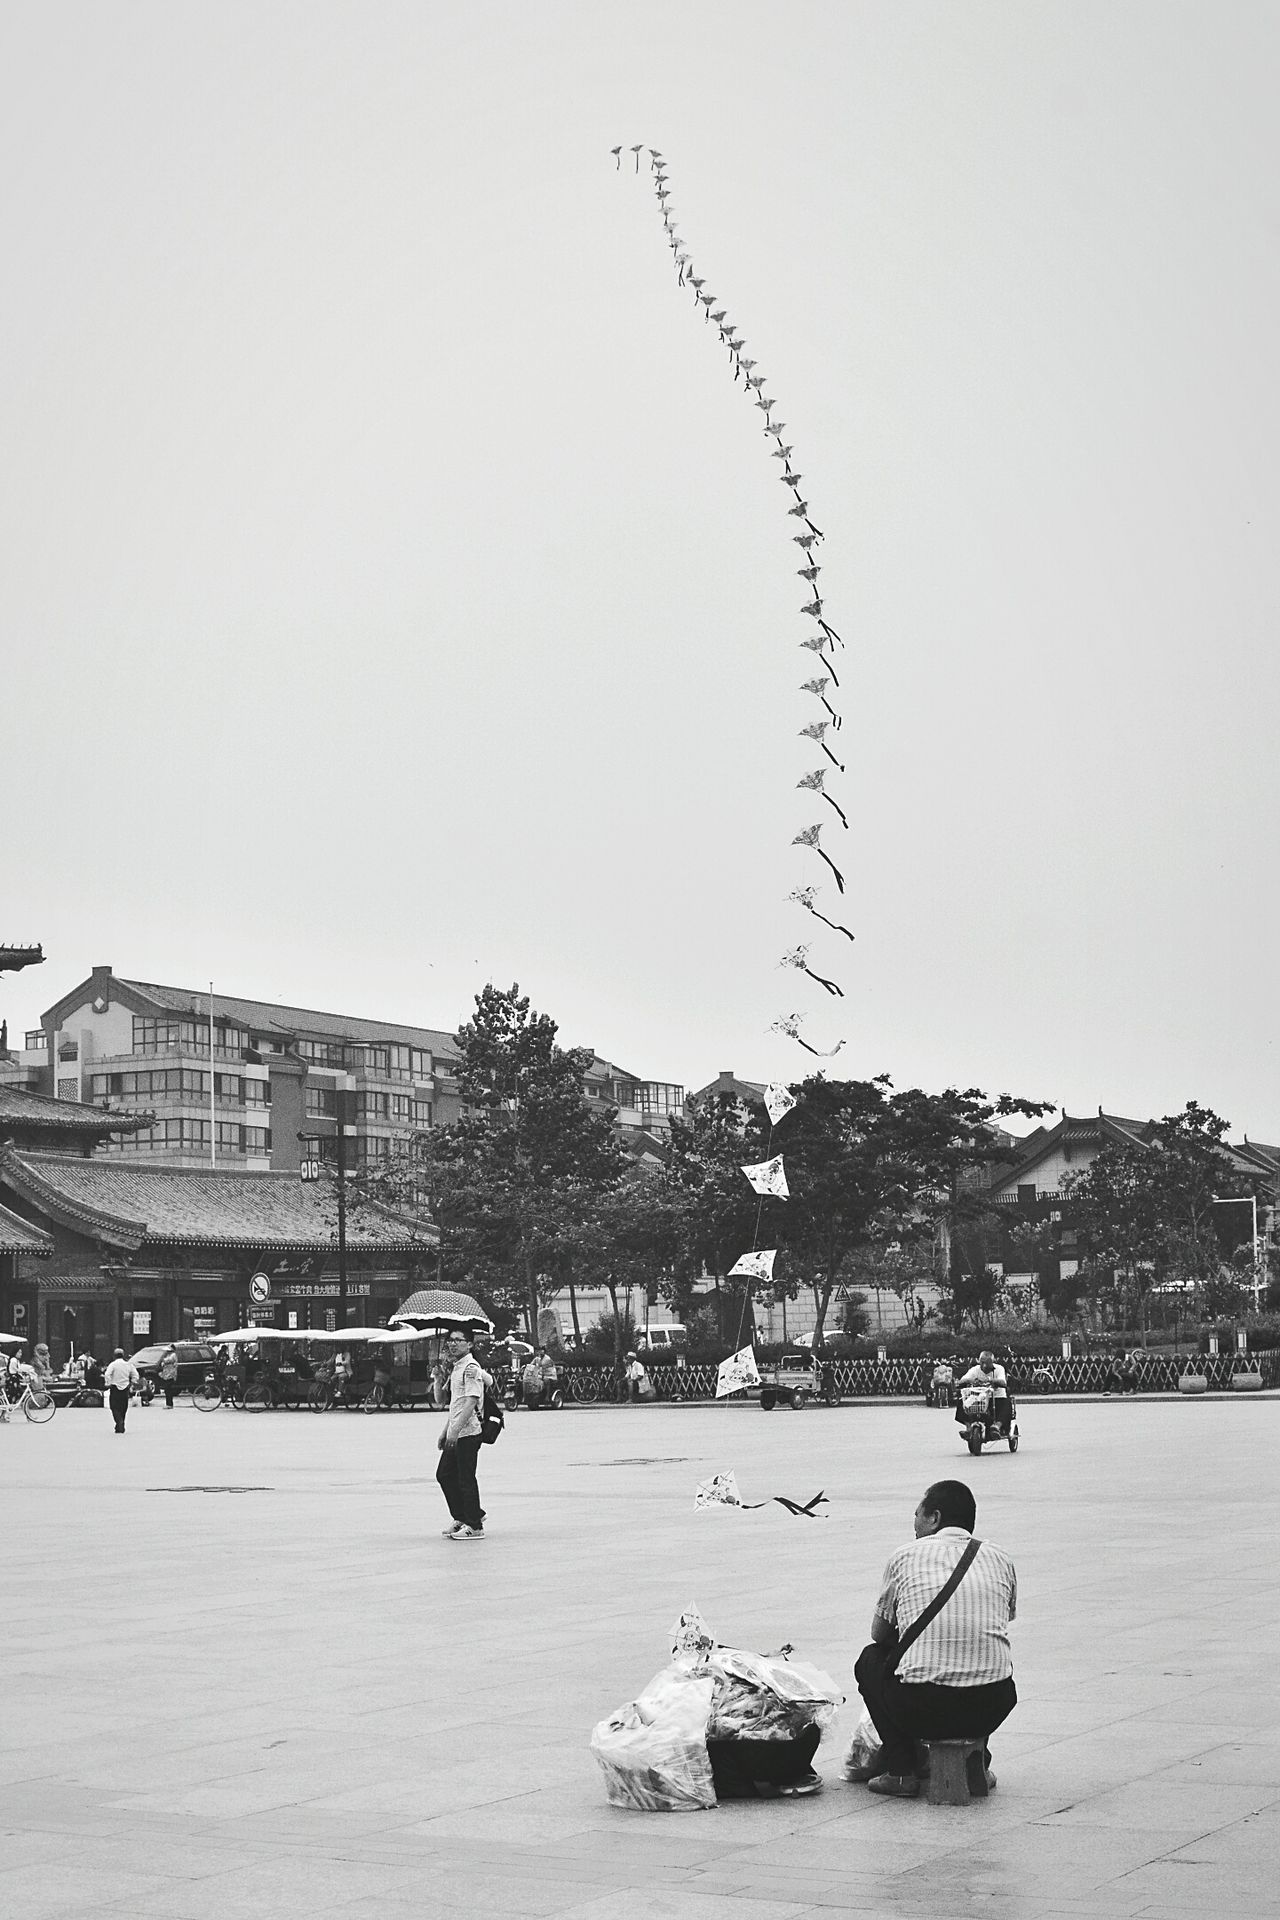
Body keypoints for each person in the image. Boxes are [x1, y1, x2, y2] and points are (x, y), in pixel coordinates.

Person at [851, 1480, 1017, 1799]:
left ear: (934, 1518)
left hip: (922, 1708)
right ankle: (978, 1761)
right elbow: (1002, 1620)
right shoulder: (1000, 1557)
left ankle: (901, 1771)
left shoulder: (905, 1555)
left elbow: (879, 1633)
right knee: (985, 1652)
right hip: (994, 1703)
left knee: (871, 1659)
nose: (913, 1524)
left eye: (917, 1515)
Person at [436, 1328, 486, 1540]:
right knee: (445, 1474)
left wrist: (454, 1431)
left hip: (468, 1432)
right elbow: (448, 1403)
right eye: (450, 1340)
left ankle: (475, 1526)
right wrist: (445, 1431)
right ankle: (464, 1516)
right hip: (456, 1432)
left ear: (470, 1344)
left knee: (465, 1478)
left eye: (458, 1340)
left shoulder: (471, 1368)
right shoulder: (456, 1367)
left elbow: (471, 1400)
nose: (453, 1344)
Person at [956, 1350, 1011, 1435]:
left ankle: (997, 1426)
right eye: (982, 1363)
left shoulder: (999, 1368)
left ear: (993, 1362)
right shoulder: (975, 1370)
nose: (984, 1366)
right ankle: (968, 1427)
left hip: (997, 1397)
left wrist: (990, 1380)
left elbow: (1003, 1383)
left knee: (1007, 1403)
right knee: (962, 1402)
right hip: (979, 1399)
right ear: (979, 1361)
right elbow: (961, 1381)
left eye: (987, 1363)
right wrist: (971, 1380)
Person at [103, 1347, 140, 1434]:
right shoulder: (128, 1365)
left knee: (114, 1407)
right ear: (123, 1355)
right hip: (125, 1389)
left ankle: (119, 1422)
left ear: (114, 1356)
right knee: (123, 1407)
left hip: (115, 1388)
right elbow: (135, 1375)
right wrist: (132, 1382)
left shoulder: (113, 1365)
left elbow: (107, 1374)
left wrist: (109, 1382)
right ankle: (121, 1423)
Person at [159, 1343, 179, 1409]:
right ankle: (168, 1403)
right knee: (167, 1390)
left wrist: (163, 1359)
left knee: (168, 1390)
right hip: (167, 1374)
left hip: (171, 1375)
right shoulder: (168, 1355)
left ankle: (169, 1404)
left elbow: (167, 1360)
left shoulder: (173, 1355)